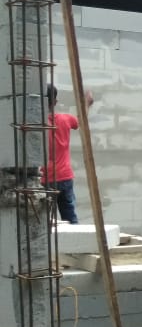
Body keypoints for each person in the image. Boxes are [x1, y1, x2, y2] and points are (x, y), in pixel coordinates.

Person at [42, 84, 93, 224]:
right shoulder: (65, 119)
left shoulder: (37, 124)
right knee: (70, 217)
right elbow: (81, 121)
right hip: (65, 177)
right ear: (55, 102)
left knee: (43, 221)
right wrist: (87, 104)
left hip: (45, 179)